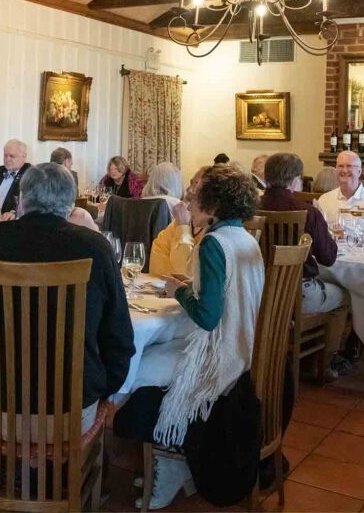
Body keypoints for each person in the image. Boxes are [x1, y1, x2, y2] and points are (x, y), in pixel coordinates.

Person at [116, 164, 264, 508]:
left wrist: (177, 291)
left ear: (212, 206)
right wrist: (189, 287)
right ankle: (174, 457)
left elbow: (207, 317)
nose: (189, 203)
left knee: (131, 368)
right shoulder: (243, 237)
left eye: (195, 199)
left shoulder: (213, 243)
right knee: (151, 354)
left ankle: (170, 458)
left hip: (219, 357)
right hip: (243, 346)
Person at [0, 163, 135, 437]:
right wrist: (103, 390)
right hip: (69, 409)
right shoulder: (95, 247)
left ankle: (7, 471)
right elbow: (119, 338)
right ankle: (60, 476)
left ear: (21, 199)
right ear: (71, 204)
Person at [259, 153, 349, 378]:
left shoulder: (250, 208)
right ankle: (326, 363)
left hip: (258, 293)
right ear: (293, 181)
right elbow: (328, 257)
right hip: (298, 295)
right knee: (344, 296)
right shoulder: (307, 211)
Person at [317, 151, 364, 244]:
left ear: (359, 171)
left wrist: (351, 239)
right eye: (340, 166)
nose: (344, 170)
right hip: (332, 256)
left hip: (363, 256)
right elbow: (317, 233)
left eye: (349, 166)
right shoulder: (324, 200)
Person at [149, 168, 209, 277]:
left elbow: (187, 275)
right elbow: (156, 262)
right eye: (191, 183)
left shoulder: (214, 231)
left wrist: (183, 229)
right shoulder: (180, 220)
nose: (189, 190)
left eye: (196, 184)